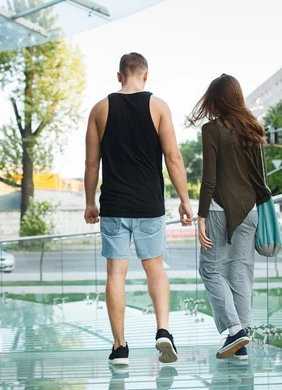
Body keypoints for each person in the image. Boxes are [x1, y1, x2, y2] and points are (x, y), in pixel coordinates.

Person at [84, 52, 193, 366]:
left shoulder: (100, 109)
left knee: (115, 274)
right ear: (145, 76)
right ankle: (163, 330)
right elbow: (173, 157)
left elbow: (92, 163)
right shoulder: (158, 107)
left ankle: (120, 348)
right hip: (149, 205)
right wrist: (185, 200)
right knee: (154, 269)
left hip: (114, 205)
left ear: (119, 76)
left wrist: (90, 201)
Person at [188, 74, 271, 360]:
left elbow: (209, 179)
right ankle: (242, 342)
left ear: (216, 99)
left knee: (211, 270)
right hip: (250, 210)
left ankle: (235, 331)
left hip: (219, 210)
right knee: (240, 273)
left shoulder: (212, 130)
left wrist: (200, 216)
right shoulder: (254, 129)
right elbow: (261, 179)